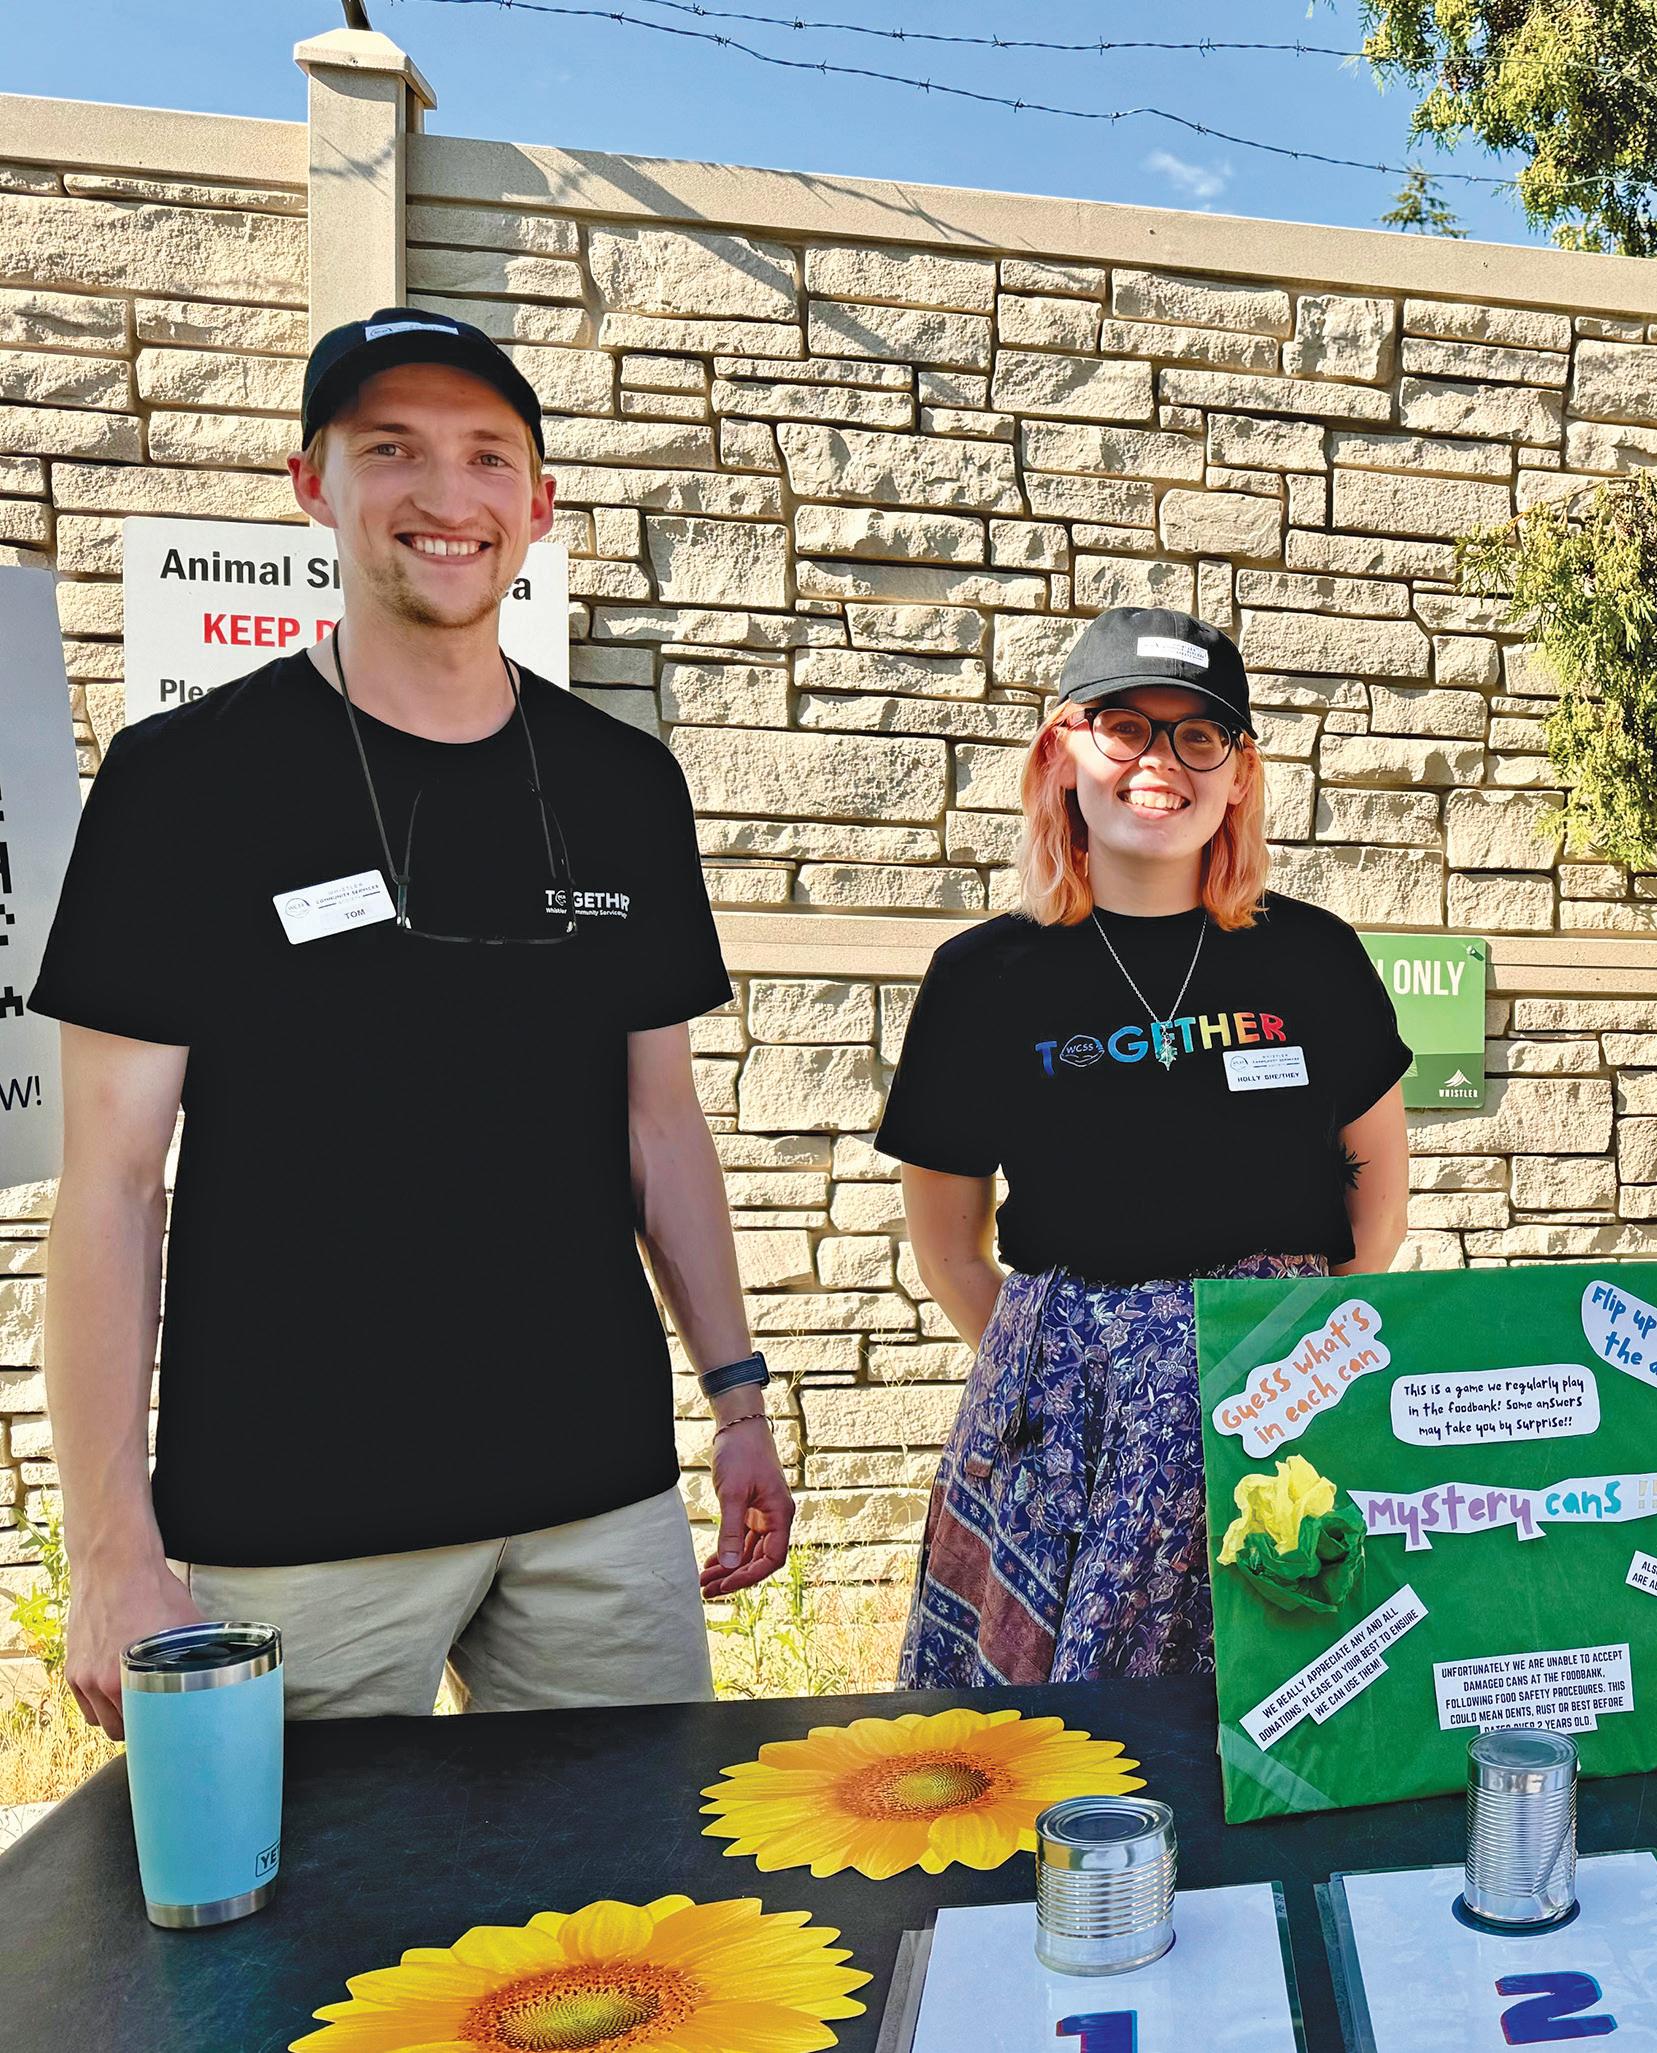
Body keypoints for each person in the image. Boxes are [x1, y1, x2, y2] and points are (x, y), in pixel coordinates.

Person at [35, 307, 791, 1733]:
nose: (448, 493)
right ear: (311, 481)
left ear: (538, 503)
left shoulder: (624, 785)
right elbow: (114, 1184)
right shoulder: (185, 782)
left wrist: (737, 1400)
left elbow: (661, 1126)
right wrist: (113, 1550)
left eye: (487, 455)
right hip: (295, 1519)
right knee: (296, 1886)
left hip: (599, 1507)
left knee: (631, 1870)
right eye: (391, 448)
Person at [884, 606, 1411, 1685]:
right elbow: (947, 1251)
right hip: (1062, 1444)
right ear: (1060, 752)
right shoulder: (981, 978)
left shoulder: (1314, 958)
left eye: (1198, 735)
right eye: (1124, 727)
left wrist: (1279, 1373)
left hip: (1284, 1414)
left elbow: (1379, 1213)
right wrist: (1091, 1371)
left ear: (1239, 773)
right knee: (1056, 1752)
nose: (1159, 762)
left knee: (1286, 1713)